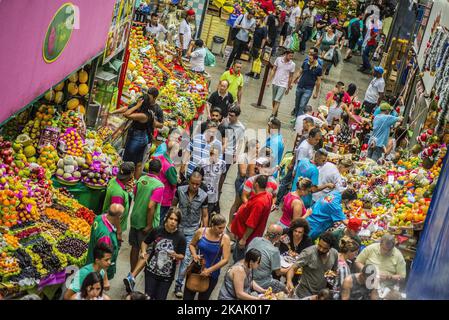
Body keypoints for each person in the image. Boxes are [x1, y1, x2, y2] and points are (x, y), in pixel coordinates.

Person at [124, 208, 186, 300]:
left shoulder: (181, 237)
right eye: (171, 218)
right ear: (166, 218)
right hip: (151, 272)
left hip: (167, 276)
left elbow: (182, 256)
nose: (173, 222)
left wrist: (176, 255)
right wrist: (144, 251)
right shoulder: (157, 230)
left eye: (176, 220)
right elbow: (145, 242)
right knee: (148, 297)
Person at [172, 171, 209, 298]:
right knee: (171, 256)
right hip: (177, 229)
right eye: (192, 183)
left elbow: (204, 215)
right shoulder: (180, 190)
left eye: (197, 184)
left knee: (186, 259)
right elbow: (173, 206)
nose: (194, 186)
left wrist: (204, 231)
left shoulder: (204, 196)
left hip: (192, 232)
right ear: (189, 181)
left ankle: (178, 284)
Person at [184, 214, 231, 300]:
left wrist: (209, 270)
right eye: (220, 228)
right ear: (212, 225)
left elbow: (225, 259)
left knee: (204, 298)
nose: (222, 230)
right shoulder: (201, 232)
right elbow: (191, 245)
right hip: (196, 268)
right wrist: (194, 255)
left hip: (211, 274)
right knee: (188, 296)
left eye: (223, 228)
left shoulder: (225, 239)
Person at [129, 159, 164, 271]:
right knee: (146, 251)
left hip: (135, 218)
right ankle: (133, 276)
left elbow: (135, 196)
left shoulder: (140, 180)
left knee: (134, 248)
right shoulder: (159, 186)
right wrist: (149, 225)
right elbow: (150, 206)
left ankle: (131, 271)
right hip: (146, 223)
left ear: (148, 169)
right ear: (160, 170)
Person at [231, 175, 273, 262]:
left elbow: (252, 223)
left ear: (256, 184)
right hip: (249, 234)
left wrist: (243, 239)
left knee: (239, 259)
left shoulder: (260, 202)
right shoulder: (267, 195)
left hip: (248, 237)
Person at [286, 232, 338, 298]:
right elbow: (293, 268)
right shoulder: (308, 253)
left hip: (320, 295)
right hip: (303, 293)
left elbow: (334, 271)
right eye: (320, 246)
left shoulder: (334, 253)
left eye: (325, 248)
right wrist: (289, 281)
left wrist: (332, 277)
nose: (321, 249)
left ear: (330, 248)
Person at [247, 224, 288, 293]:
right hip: (261, 281)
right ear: (278, 236)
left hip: (247, 275)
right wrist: (291, 268)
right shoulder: (274, 251)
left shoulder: (255, 239)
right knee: (284, 289)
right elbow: (278, 272)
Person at [87, 204, 123, 280]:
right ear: (118, 217)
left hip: (90, 260)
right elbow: (103, 261)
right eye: (121, 217)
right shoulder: (105, 236)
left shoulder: (99, 218)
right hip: (98, 272)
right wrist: (105, 280)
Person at [228, 139, 259, 229]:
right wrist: (253, 169)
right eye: (256, 148)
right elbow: (242, 172)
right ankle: (230, 223)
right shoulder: (243, 157)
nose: (258, 150)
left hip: (250, 184)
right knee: (237, 204)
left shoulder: (256, 157)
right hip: (241, 182)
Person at [102, 162, 134, 241]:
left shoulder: (113, 180)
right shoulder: (118, 193)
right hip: (113, 227)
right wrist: (119, 232)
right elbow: (116, 215)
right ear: (130, 175)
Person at [220, 106, 246, 193]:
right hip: (220, 149)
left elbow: (240, 142)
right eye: (229, 114)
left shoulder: (241, 128)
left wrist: (236, 155)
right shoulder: (225, 122)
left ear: (237, 116)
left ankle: (219, 190)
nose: (229, 117)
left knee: (223, 173)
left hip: (230, 153)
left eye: (232, 115)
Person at [291, 48, 322, 118]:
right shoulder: (305, 63)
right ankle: (296, 117)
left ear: (315, 59)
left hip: (308, 89)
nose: (309, 60)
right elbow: (299, 72)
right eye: (309, 58)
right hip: (300, 86)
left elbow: (318, 81)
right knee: (297, 104)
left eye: (310, 59)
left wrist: (316, 93)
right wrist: (293, 82)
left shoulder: (319, 68)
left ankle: (297, 120)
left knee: (302, 105)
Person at [266, 49, 296, 119]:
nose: (291, 57)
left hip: (283, 84)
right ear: (286, 54)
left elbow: (291, 76)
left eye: (292, 56)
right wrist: (269, 81)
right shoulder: (278, 59)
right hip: (275, 82)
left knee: (277, 100)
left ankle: (272, 115)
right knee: (274, 100)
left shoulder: (292, 64)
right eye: (290, 56)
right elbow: (273, 70)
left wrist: (288, 87)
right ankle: (275, 111)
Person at [154, 141, 178, 224]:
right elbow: (174, 182)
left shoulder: (159, 158)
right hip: (164, 198)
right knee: (159, 220)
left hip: (154, 194)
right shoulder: (170, 166)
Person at [197, 147, 226, 216]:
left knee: (207, 213)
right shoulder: (202, 162)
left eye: (215, 154)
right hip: (201, 192)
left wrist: (219, 189)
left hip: (213, 195)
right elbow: (197, 174)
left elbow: (222, 176)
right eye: (211, 154)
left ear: (219, 155)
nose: (213, 156)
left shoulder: (222, 164)